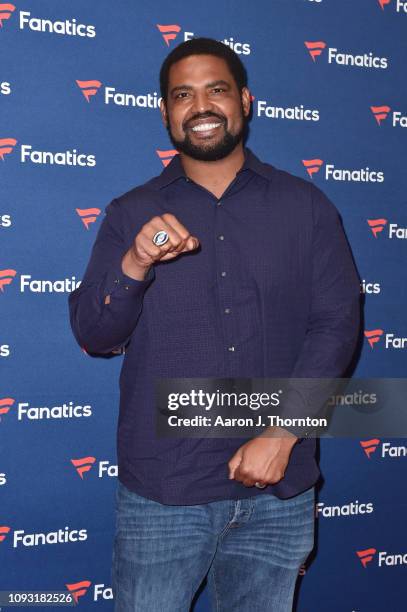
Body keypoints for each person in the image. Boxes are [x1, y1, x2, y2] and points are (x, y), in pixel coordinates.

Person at [68, 37, 360, 612]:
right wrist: (136, 263)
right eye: (183, 95)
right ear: (166, 113)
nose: (200, 106)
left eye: (216, 89)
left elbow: (336, 325)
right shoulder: (130, 214)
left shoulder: (307, 206)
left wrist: (281, 434)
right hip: (164, 494)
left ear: (245, 101)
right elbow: (94, 335)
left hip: (281, 488)